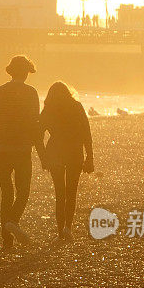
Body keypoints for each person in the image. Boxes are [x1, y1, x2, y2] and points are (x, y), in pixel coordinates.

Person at [0, 55, 42, 250]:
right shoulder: (31, 93)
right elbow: (36, 124)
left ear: (11, 72)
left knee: (6, 192)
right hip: (23, 148)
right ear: (26, 73)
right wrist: (42, 152)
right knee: (23, 190)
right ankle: (13, 221)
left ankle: (7, 239)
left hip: (2, 148)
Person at [38, 81, 94, 240]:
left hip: (55, 153)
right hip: (75, 152)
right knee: (71, 192)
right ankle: (68, 228)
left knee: (59, 193)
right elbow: (86, 133)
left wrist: (43, 157)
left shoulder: (48, 110)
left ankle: (60, 232)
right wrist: (90, 157)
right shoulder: (76, 107)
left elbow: (37, 136)